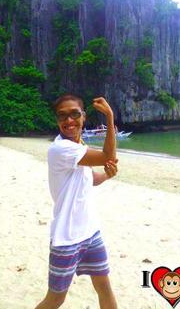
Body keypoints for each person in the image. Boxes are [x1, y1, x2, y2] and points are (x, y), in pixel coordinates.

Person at [35, 94, 118, 309]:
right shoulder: (61, 149)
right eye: (62, 116)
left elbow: (91, 178)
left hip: (90, 233)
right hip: (67, 238)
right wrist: (109, 118)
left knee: (104, 287)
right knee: (55, 299)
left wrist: (108, 175)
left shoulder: (78, 145)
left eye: (74, 114)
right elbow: (108, 154)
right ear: (57, 121)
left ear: (83, 116)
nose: (69, 120)